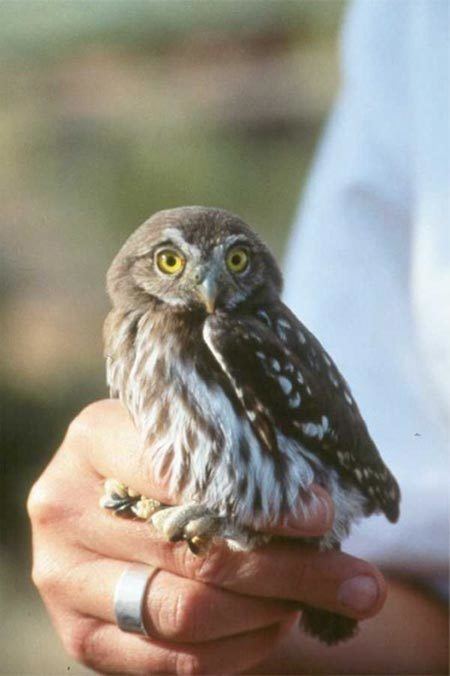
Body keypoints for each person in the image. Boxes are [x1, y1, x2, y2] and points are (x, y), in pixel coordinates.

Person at [28, 1, 448, 673]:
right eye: (171, 264)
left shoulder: (242, 334)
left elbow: (345, 481)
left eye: (236, 265)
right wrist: (172, 594)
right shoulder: (409, 20)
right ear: (139, 271)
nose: (206, 290)